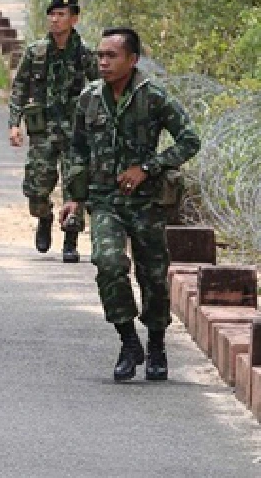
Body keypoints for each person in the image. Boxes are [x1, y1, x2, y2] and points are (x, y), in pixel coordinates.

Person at [61, 27, 200, 382]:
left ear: (132, 60)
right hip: (104, 200)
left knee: (153, 276)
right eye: (100, 55)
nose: (103, 62)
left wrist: (148, 168)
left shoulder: (153, 97)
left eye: (111, 56)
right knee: (107, 263)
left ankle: (156, 345)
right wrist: (73, 197)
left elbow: (189, 140)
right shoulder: (90, 98)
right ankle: (127, 340)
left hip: (147, 203)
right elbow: (76, 149)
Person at [8, 0, 98, 261]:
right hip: (43, 131)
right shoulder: (36, 52)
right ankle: (44, 218)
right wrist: (15, 123)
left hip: (76, 133)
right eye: (52, 14)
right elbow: (20, 88)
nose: (55, 20)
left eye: (62, 15)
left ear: (74, 19)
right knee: (36, 189)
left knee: (76, 187)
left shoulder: (86, 55)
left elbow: (100, 92)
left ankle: (70, 241)